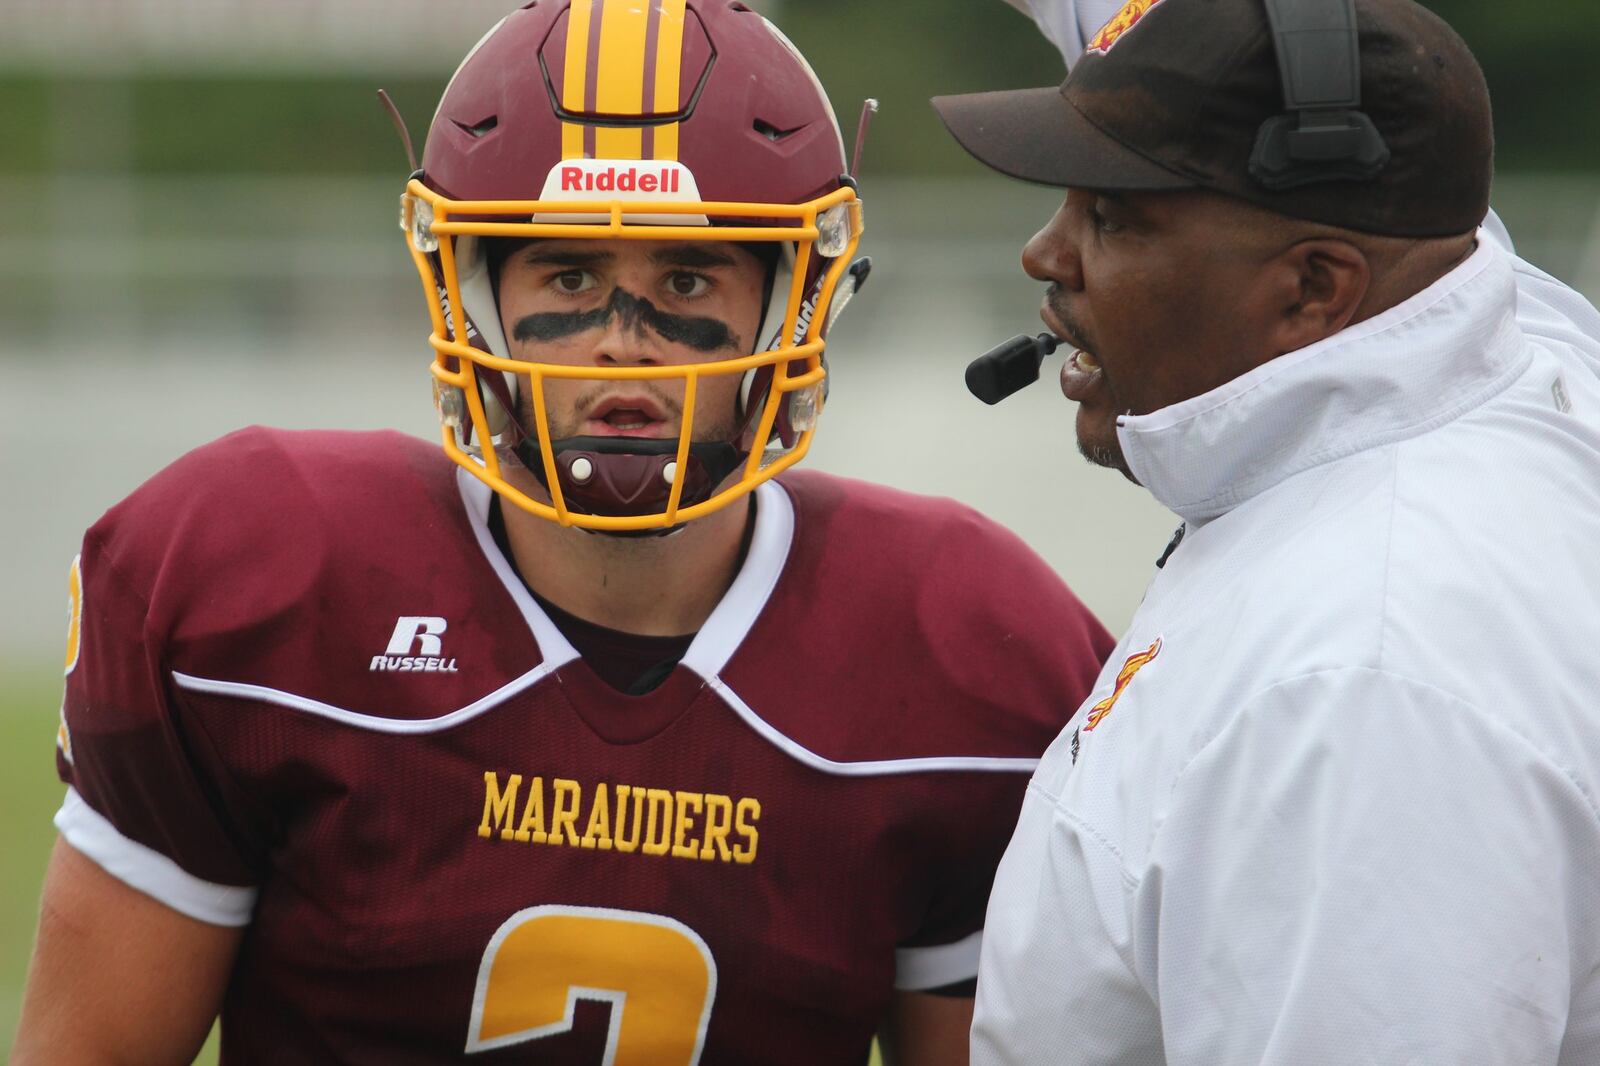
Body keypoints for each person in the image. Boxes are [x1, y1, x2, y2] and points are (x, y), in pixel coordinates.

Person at [11, 2, 1116, 1063]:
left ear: (799, 303)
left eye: (686, 277)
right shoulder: (262, 579)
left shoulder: (966, 651)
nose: (618, 346)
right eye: (569, 273)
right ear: (470, 287)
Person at [933, 0, 1600, 1061]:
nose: (1043, 254)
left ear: (1314, 287)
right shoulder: (1465, 336)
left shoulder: (1361, 678)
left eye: (1112, 215)